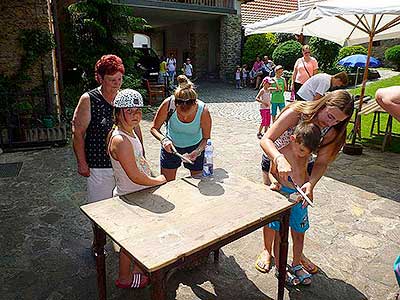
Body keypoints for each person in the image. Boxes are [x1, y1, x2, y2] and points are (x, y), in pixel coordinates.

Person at [255, 89, 354, 275]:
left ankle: (297, 256)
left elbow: (322, 161)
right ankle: (268, 251)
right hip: (275, 164)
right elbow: (267, 139)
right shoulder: (297, 112)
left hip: (300, 171)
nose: (331, 122)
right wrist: (278, 158)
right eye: (330, 116)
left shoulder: (333, 130)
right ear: (324, 104)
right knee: (272, 218)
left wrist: (311, 183)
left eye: (337, 121)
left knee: (296, 219)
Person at [107, 89, 167, 289]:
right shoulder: (120, 140)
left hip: (137, 193)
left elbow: (139, 163)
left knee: (136, 237)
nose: (136, 115)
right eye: (129, 111)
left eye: (139, 111)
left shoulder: (129, 132)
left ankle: (137, 268)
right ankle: (124, 277)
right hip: (129, 196)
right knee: (129, 241)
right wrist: (157, 180)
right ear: (118, 112)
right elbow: (135, 175)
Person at [259, 121, 321, 286]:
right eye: (301, 150)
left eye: (306, 153)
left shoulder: (306, 155)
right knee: (281, 235)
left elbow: (306, 176)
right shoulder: (280, 153)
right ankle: (280, 267)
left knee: (299, 234)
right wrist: (274, 183)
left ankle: (296, 264)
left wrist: (309, 190)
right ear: (293, 139)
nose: (302, 155)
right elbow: (272, 173)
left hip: (299, 198)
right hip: (282, 199)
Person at [150, 75, 212, 181]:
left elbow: (206, 138)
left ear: (195, 104)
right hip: (170, 147)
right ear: (176, 104)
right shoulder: (168, 104)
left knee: (199, 181)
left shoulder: (203, 111)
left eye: (188, 113)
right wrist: (164, 140)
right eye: (181, 113)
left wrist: (197, 151)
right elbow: (154, 128)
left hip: (195, 146)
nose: (185, 117)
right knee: (167, 184)